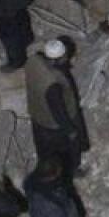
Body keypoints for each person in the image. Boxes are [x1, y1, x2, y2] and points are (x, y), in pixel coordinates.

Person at [24, 38, 91, 179]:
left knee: (44, 148)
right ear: (56, 60)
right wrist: (70, 130)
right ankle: (71, 170)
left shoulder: (33, 61)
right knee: (67, 149)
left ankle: (45, 165)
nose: (68, 59)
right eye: (65, 57)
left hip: (37, 115)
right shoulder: (52, 83)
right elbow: (58, 112)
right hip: (53, 125)